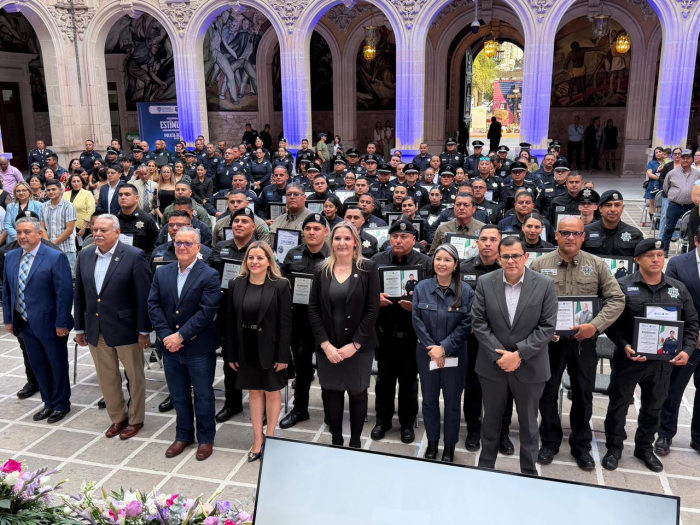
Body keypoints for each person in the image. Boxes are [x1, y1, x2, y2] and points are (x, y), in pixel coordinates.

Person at [530, 216, 625, 470]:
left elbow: (616, 299)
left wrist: (595, 325)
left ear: (583, 237)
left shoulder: (596, 265)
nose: (570, 237)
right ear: (556, 235)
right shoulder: (539, 264)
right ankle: (549, 441)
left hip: (584, 343)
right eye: (565, 232)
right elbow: (529, 301)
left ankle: (581, 446)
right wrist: (542, 328)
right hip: (550, 343)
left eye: (576, 233)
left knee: (583, 395)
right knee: (547, 393)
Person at [602, 238, 698, 472]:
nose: (656, 259)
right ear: (637, 259)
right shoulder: (623, 286)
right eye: (649, 256)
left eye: (660, 255)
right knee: (619, 405)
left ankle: (644, 448)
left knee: (654, 407)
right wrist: (624, 345)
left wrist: (686, 350)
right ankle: (614, 448)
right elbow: (610, 323)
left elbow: (691, 323)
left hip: (662, 363)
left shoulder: (677, 288)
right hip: (629, 360)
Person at [472, 236, 558, 475]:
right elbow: (478, 322)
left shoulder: (544, 284)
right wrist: (500, 356)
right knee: (491, 421)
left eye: (516, 256)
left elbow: (547, 327)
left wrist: (519, 354)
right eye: (506, 256)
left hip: (530, 366)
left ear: (526, 257)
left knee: (529, 425)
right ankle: (485, 469)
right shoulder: (485, 282)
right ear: (499, 258)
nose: (511, 261)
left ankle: (528, 473)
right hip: (493, 366)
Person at [74, 214, 151, 439]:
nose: (97, 234)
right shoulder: (85, 255)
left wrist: (144, 330)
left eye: (103, 230)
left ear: (117, 233)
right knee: (106, 378)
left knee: (135, 378)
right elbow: (80, 294)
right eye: (95, 229)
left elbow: (143, 297)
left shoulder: (134, 256)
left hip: (127, 329)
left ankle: (135, 419)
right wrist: (80, 328)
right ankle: (118, 417)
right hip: (96, 329)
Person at [147, 227, 221, 461]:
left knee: (203, 395)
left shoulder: (209, 274)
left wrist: (180, 336)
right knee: (178, 395)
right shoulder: (163, 273)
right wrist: (166, 336)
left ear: (198, 247)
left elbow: (207, 311)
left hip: (198, 347)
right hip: (170, 346)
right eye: (178, 242)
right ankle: (183, 435)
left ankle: (206, 438)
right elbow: (153, 305)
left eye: (188, 243)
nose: (182, 247)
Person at [308, 222, 380, 448]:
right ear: (331, 242)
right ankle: (336, 441)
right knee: (332, 393)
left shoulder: (368, 268)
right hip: (329, 346)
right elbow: (313, 309)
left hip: (359, 347)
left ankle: (355, 443)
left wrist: (355, 344)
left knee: (357, 393)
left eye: (347, 238)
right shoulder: (321, 269)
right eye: (337, 238)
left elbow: (372, 309)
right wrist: (325, 345)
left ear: (356, 243)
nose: (342, 243)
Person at [2, 216, 73, 423]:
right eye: (19, 232)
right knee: (38, 365)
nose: (22, 236)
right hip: (25, 323)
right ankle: (48, 402)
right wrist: (9, 319)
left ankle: (61, 404)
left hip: (50, 324)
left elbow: (64, 293)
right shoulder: (11, 256)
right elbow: (7, 291)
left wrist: (62, 322)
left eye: (27, 232)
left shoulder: (55, 257)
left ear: (40, 233)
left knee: (56, 364)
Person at [227, 241, 292, 462]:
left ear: (269, 261)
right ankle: (257, 439)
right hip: (246, 346)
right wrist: (231, 353)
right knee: (254, 392)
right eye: (251, 257)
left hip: (271, 348)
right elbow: (230, 321)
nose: (254, 262)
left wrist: (283, 355)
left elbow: (286, 324)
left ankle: (270, 436)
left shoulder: (280, 285)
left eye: (260, 258)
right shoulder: (236, 284)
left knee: (272, 393)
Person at [371, 220, 432, 443]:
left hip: (412, 335)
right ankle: (383, 420)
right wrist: (374, 299)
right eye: (395, 236)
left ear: (414, 240)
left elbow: (434, 297)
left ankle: (407, 422)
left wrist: (417, 305)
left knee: (409, 381)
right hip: (384, 332)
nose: (398, 240)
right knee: (384, 380)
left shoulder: (425, 263)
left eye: (404, 237)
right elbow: (364, 292)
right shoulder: (376, 261)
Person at [411, 243, 473, 462]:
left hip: (455, 355)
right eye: (438, 259)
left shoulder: (466, 291)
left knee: (452, 403)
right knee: (429, 401)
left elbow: (466, 325)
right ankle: (432, 442)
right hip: (426, 353)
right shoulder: (422, 287)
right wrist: (433, 349)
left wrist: (444, 348)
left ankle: (449, 446)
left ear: (456, 264)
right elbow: (417, 320)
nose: (442, 263)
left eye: (447, 260)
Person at [460, 226, 516, 453]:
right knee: (473, 386)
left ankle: (502, 432)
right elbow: (458, 302)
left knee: (504, 387)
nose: (488, 243)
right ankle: (474, 430)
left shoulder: (510, 268)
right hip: (474, 339)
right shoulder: (463, 268)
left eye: (493, 239)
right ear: (477, 243)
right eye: (483, 239)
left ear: (500, 243)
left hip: (503, 340)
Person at [279, 213, 330, 429]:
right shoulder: (293, 254)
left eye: (316, 228)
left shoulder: (334, 255)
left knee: (327, 369)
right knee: (302, 370)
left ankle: (331, 412)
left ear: (326, 231)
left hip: (326, 324)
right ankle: (300, 409)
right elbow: (282, 284)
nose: (311, 232)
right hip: (299, 322)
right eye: (308, 228)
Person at [656, 229, 700, 455]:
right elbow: (672, 300)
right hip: (685, 339)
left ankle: (698, 437)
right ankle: (664, 434)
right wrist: (694, 332)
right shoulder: (678, 264)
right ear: (696, 240)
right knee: (673, 389)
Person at [583, 190, 643, 257]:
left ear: (622, 208)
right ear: (600, 208)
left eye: (617, 205)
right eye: (608, 205)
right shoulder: (585, 232)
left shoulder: (634, 234)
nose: (613, 209)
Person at [662, 150, 699, 255]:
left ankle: (685, 250)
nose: (685, 160)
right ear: (680, 159)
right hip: (675, 205)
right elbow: (666, 188)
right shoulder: (672, 173)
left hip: (691, 205)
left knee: (690, 229)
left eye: (687, 158)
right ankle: (664, 250)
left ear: (691, 160)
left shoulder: (697, 174)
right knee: (669, 227)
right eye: (683, 158)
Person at [41, 180, 78, 273]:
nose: (51, 192)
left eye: (54, 189)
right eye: (48, 190)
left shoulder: (69, 206)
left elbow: (69, 229)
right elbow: (42, 227)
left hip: (66, 248)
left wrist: (53, 244)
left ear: (61, 190)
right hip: (49, 248)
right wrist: (48, 244)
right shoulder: (43, 206)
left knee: (67, 275)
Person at [65, 174, 96, 250]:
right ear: (70, 183)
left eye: (78, 181)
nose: (76, 183)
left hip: (83, 227)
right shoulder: (65, 194)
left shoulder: (87, 193)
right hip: (68, 227)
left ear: (82, 182)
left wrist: (84, 227)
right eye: (74, 181)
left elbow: (91, 210)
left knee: (83, 248)